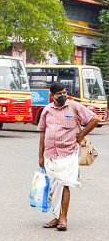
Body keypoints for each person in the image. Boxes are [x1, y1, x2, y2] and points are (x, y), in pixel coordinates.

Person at [37, 81, 98, 231]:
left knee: (64, 184)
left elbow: (94, 119)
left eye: (64, 93)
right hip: (51, 154)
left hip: (68, 153)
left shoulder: (74, 106)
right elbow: (43, 133)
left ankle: (63, 218)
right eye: (59, 94)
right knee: (53, 188)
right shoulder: (47, 110)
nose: (63, 96)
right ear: (52, 96)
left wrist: (81, 135)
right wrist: (41, 155)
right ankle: (57, 217)